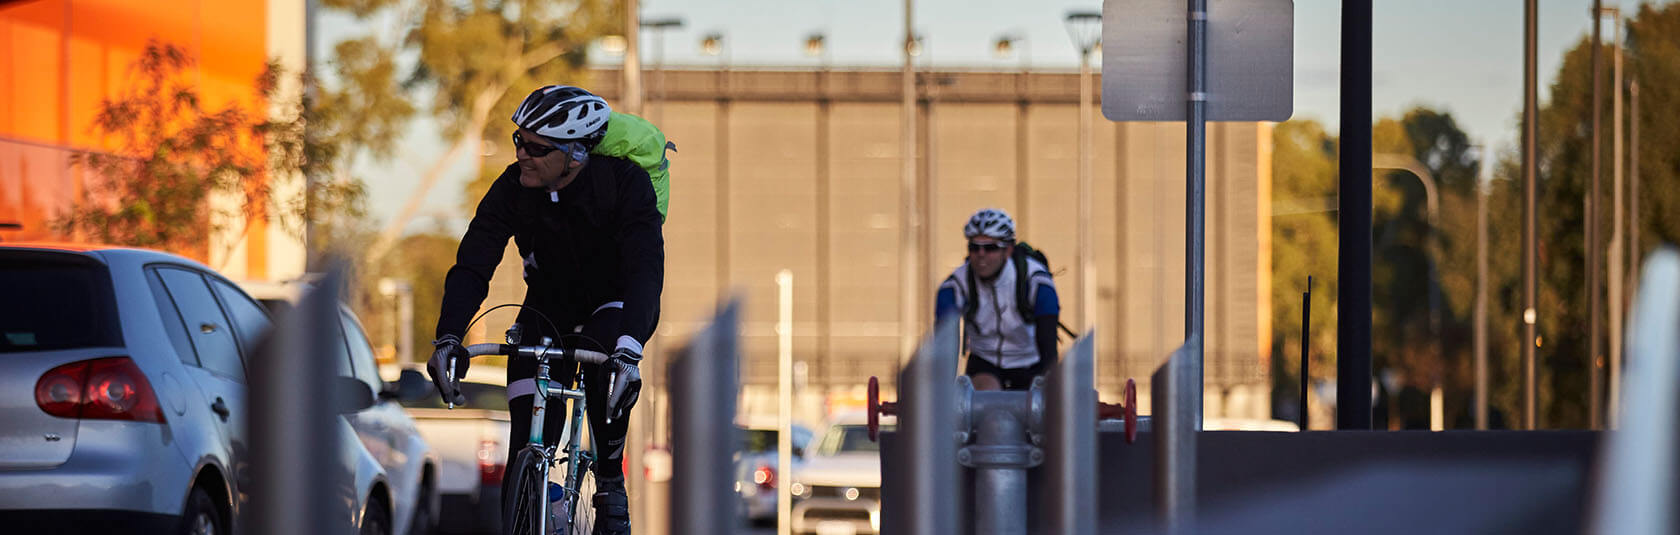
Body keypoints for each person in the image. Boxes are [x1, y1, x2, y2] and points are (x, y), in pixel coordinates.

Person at [425, 85, 662, 535]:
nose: (522, 155)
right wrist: (449, 336)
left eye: (537, 147)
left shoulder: (623, 184)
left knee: (605, 361)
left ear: (575, 154)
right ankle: (530, 501)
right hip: (547, 305)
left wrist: (630, 349)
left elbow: (646, 270)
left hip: (611, 303)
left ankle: (610, 481)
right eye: (519, 141)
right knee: (524, 441)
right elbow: (474, 264)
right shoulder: (513, 188)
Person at [934, 208, 1061, 391]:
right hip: (985, 363)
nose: (981, 255)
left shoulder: (1035, 280)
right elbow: (945, 343)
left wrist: (1049, 381)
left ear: (1008, 250)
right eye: (974, 248)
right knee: (986, 399)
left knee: (1034, 410)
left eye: (990, 248)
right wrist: (943, 390)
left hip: (1030, 362)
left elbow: (1048, 339)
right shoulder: (956, 286)